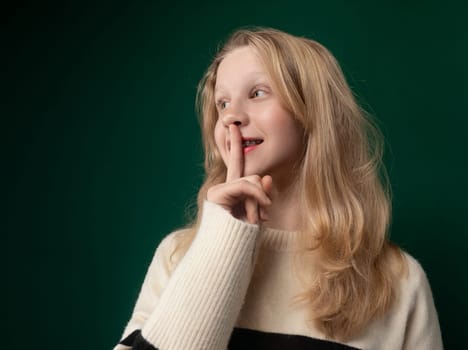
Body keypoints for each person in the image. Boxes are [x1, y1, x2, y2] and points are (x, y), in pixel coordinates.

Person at [114, 27, 443, 350]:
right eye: (222, 104)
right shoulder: (177, 256)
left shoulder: (398, 280)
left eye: (257, 93)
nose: (232, 117)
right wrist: (221, 240)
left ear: (311, 113)